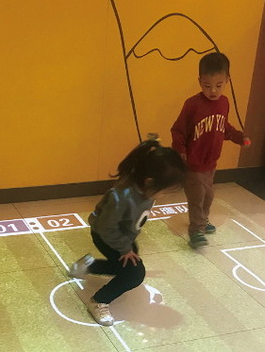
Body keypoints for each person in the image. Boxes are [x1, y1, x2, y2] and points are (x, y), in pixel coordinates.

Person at [68, 139, 186, 326]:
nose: (162, 197)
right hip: (106, 236)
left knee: (124, 266)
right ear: (149, 182)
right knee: (134, 274)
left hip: (124, 236)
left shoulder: (143, 184)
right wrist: (124, 249)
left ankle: (88, 266)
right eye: (163, 192)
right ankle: (99, 301)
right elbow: (106, 228)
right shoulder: (122, 198)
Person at [171, 52, 251, 249]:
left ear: (227, 81)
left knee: (208, 195)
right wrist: (180, 151)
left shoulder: (224, 103)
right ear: (200, 81)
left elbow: (224, 128)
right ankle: (196, 230)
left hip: (210, 162)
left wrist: (239, 137)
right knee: (197, 196)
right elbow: (178, 130)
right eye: (207, 86)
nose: (213, 91)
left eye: (218, 85)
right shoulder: (192, 104)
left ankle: (203, 220)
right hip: (193, 163)